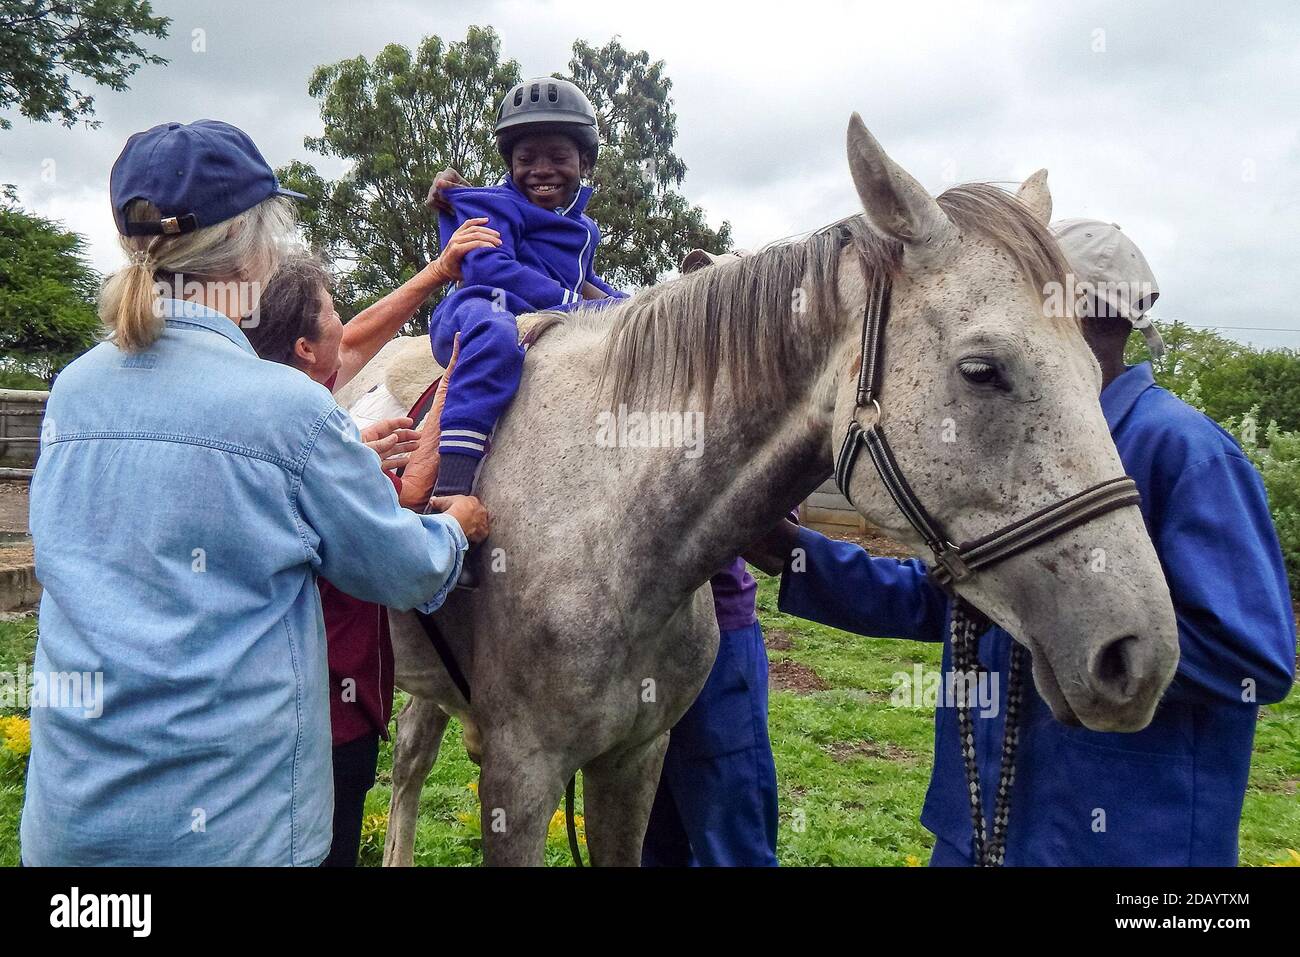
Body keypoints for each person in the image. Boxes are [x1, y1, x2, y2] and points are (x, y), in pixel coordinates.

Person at [747, 219, 1296, 866]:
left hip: (1127, 847)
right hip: (977, 830)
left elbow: (1253, 657)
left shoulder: (1186, 452)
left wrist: (1069, 625)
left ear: (1077, 313)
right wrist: (794, 553)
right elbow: (946, 602)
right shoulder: (1019, 445)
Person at [21, 119, 489, 866]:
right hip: (235, 834)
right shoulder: (285, 409)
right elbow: (401, 569)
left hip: (73, 830)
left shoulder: (74, 391)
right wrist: (456, 526)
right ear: (251, 249)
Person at [245, 222, 496, 866]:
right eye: (332, 310)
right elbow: (406, 511)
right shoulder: (313, 427)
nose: (345, 322)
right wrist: (461, 378)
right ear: (305, 346)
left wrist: (439, 272)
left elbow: (356, 341)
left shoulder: (273, 385)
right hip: (324, 708)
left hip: (258, 710)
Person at [427, 77, 627, 553]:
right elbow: (489, 265)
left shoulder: (583, 229)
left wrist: (635, 307)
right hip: (477, 309)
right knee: (497, 336)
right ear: (509, 164)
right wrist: (570, 304)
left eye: (558, 158)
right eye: (526, 159)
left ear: (585, 162)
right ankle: (450, 490)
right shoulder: (492, 206)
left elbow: (587, 285)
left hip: (548, 315)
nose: (542, 170)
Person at [638, 250, 778, 867]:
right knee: (650, 828)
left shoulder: (765, 411)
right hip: (643, 638)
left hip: (720, 631)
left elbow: (775, 530)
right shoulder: (653, 396)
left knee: (729, 835)